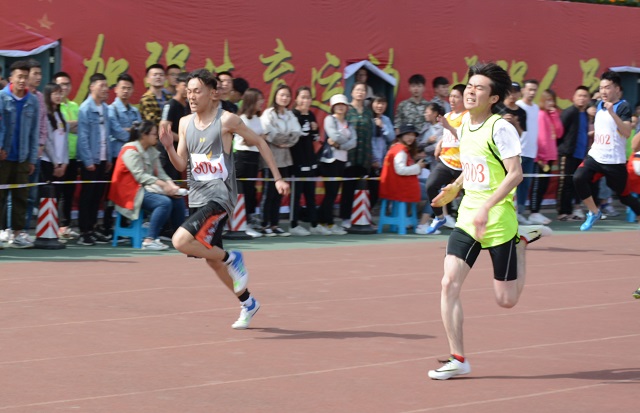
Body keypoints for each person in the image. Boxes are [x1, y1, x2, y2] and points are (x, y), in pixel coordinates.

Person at [427, 63, 551, 380]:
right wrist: (454, 189)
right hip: (468, 215)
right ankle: (458, 359)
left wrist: (488, 207)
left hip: (497, 219)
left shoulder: (501, 129)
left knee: (506, 300)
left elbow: (515, 175)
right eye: (469, 85)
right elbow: (471, 166)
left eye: (478, 87)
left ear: (493, 97)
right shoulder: (466, 123)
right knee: (448, 283)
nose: (470, 90)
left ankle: (521, 244)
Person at [158, 68, 290, 329]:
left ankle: (233, 258)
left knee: (180, 240)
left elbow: (261, 143)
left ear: (212, 93)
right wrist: (169, 147)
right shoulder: (185, 123)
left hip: (220, 196)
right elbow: (181, 164)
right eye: (188, 91)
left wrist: (277, 178)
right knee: (211, 259)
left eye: (197, 91)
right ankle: (248, 302)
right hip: (197, 195)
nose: (191, 96)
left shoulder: (227, 120)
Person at [573, 71, 640, 231]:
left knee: (625, 197)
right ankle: (594, 211)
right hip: (596, 156)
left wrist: (612, 113)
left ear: (617, 89)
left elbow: (626, 132)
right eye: (601, 87)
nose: (603, 91)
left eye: (607, 87)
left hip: (614, 162)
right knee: (578, 178)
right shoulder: (598, 104)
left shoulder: (623, 106)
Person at [109, 120, 185, 250]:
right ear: (144, 135)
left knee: (177, 200)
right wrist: (163, 185)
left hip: (144, 189)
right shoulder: (130, 150)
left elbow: (161, 174)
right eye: (154, 134)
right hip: (129, 193)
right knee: (164, 202)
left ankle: (181, 238)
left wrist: (172, 187)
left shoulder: (151, 151)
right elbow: (140, 176)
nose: (156, 136)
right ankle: (150, 239)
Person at [76, 73, 121, 246]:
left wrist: (108, 158)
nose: (105, 89)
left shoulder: (106, 108)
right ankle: (84, 231)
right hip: (91, 161)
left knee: (97, 196)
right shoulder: (85, 109)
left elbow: (108, 135)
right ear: (91, 87)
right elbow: (83, 138)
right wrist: (88, 161)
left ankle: (93, 228)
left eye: (106, 86)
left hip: (103, 160)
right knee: (87, 197)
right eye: (101, 85)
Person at [0, 61, 40, 248]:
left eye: (26, 76)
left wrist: (32, 159)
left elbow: (34, 133)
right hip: (3, 156)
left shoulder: (32, 101)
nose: (23, 80)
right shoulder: (2, 97)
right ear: (11, 78)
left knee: (21, 197)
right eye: (19, 77)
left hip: (23, 157)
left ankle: (18, 233)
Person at [418, 84, 468, 235]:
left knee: (472, 198)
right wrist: (440, 144)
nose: (452, 99)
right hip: (446, 162)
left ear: (465, 98)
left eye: (456, 97)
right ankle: (440, 217)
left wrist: (449, 127)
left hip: (464, 167)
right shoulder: (447, 116)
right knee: (431, 186)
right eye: (451, 96)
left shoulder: (468, 117)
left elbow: (465, 138)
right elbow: (446, 135)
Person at [259, 85, 301, 236]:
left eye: (287, 95)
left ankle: (275, 224)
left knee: (280, 193)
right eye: (281, 95)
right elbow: (270, 133)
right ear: (275, 96)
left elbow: (297, 133)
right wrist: (283, 138)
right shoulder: (268, 113)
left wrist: (286, 141)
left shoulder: (290, 114)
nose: (284, 98)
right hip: (271, 156)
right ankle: (264, 224)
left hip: (285, 156)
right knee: (268, 192)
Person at [290, 86, 329, 235]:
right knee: (297, 194)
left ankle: (314, 223)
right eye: (303, 97)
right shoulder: (293, 115)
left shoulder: (312, 115)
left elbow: (315, 138)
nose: (306, 100)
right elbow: (294, 137)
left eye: (308, 97)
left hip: (310, 160)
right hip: (297, 160)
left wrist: (314, 129)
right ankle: (294, 224)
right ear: (297, 99)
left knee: (310, 194)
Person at [317, 94, 357, 234]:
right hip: (330, 161)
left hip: (342, 160)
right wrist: (345, 142)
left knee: (334, 193)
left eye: (343, 104)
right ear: (333, 106)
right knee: (331, 192)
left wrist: (340, 146)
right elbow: (334, 136)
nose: (340, 107)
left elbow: (354, 141)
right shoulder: (330, 119)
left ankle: (324, 222)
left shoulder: (349, 123)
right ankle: (325, 222)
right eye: (338, 104)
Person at [234, 87, 266, 238]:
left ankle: (249, 221)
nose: (261, 102)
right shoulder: (242, 119)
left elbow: (260, 138)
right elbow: (245, 141)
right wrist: (257, 139)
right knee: (242, 191)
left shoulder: (258, 118)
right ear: (251, 101)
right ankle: (241, 224)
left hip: (254, 157)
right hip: (242, 157)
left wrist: (256, 139)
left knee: (251, 191)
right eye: (259, 99)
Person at [341, 82, 373, 229]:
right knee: (348, 189)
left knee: (363, 188)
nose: (360, 92)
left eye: (363, 90)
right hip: (349, 156)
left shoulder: (368, 112)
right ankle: (345, 218)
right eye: (357, 90)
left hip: (364, 156)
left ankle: (361, 216)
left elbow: (370, 134)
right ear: (352, 92)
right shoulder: (347, 110)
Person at [529, 89, 563, 225]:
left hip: (549, 156)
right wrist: (542, 157)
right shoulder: (541, 114)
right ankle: (533, 212)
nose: (551, 102)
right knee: (538, 185)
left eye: (552, 100)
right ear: (542, 100)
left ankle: (536, 212)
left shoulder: (550, 114)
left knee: (543, 186)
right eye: (548, 99)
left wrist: (554, 114)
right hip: (541, 158)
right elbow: (541, 137)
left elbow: (559, 132)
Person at [556, 86, 591, 221]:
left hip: (580, 154)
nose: (582, 98)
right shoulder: (569, 112)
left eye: (584, 96)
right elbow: (559, 133)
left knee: (575, 183)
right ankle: (562, 212)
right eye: (579, 95)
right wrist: (563, 149)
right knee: (565, 183)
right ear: (574, 97)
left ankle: (571, 211)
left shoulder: (585, 114)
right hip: (568, 154)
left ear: (588, 99)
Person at [54, 71, 81, 240]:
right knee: (55, 193)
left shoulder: (75, 106)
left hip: (73, 156)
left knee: (69, 193)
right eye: (60, 85)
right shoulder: (54, 107)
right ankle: (53, 226)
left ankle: (66, 226)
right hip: (56, 157)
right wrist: (68, 125)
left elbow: (78, 127)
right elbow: (60, 127)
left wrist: (67, 125)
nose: (64, 88)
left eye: (66, 84)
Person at [379, 124, 426, 205]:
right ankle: (434, 217)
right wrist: (418, 166)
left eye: (412, 135)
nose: (411, 137)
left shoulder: (396, 147)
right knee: (435, 191)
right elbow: (400, 170)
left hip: (394, 184)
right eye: (407, 134)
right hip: (400, 187)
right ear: (401, 136)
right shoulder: (401, 151)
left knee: (430, 183)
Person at [515, 79, 540, 224]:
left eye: (534, 90)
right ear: (523, 90)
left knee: (526, 183)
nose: (532, 93)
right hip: (518, 152)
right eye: (529, 89)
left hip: (531, 152)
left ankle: (520, 212)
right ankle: (512, 211)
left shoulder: (536, 108)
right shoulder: (518, 106)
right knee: (514, 183)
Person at [39, 83, 69, 204]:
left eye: (60, 93)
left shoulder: (60, 115)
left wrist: (64, 164)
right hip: (48, 162)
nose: (58, 96)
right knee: (48, 197)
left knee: (58, 195)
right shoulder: (45, 115)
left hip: (61, 164)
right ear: (48, 95)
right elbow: (46, 141)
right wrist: (56, 164)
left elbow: (65, 142)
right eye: (55, 93)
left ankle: (56, 222)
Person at [159, 72, 189, 181]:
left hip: (180, 153)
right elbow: (164, 130)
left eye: (189, 87)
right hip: (167, 154)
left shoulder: (189, 106)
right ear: (177, 86)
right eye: (185, 86)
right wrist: (184, 139)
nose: (187, 89)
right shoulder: (170, 105)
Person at [370, 95, 396, 209]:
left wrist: (383, 126)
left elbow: (391, 137)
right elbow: (367, 141)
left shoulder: (386, 120)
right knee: (370, 189)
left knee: (379, 189)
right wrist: (372, 159)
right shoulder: (368, 118)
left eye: (383, 104)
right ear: (372, 104)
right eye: (377, 103)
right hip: (370, 160)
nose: (380, 106)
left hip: (383, 160)